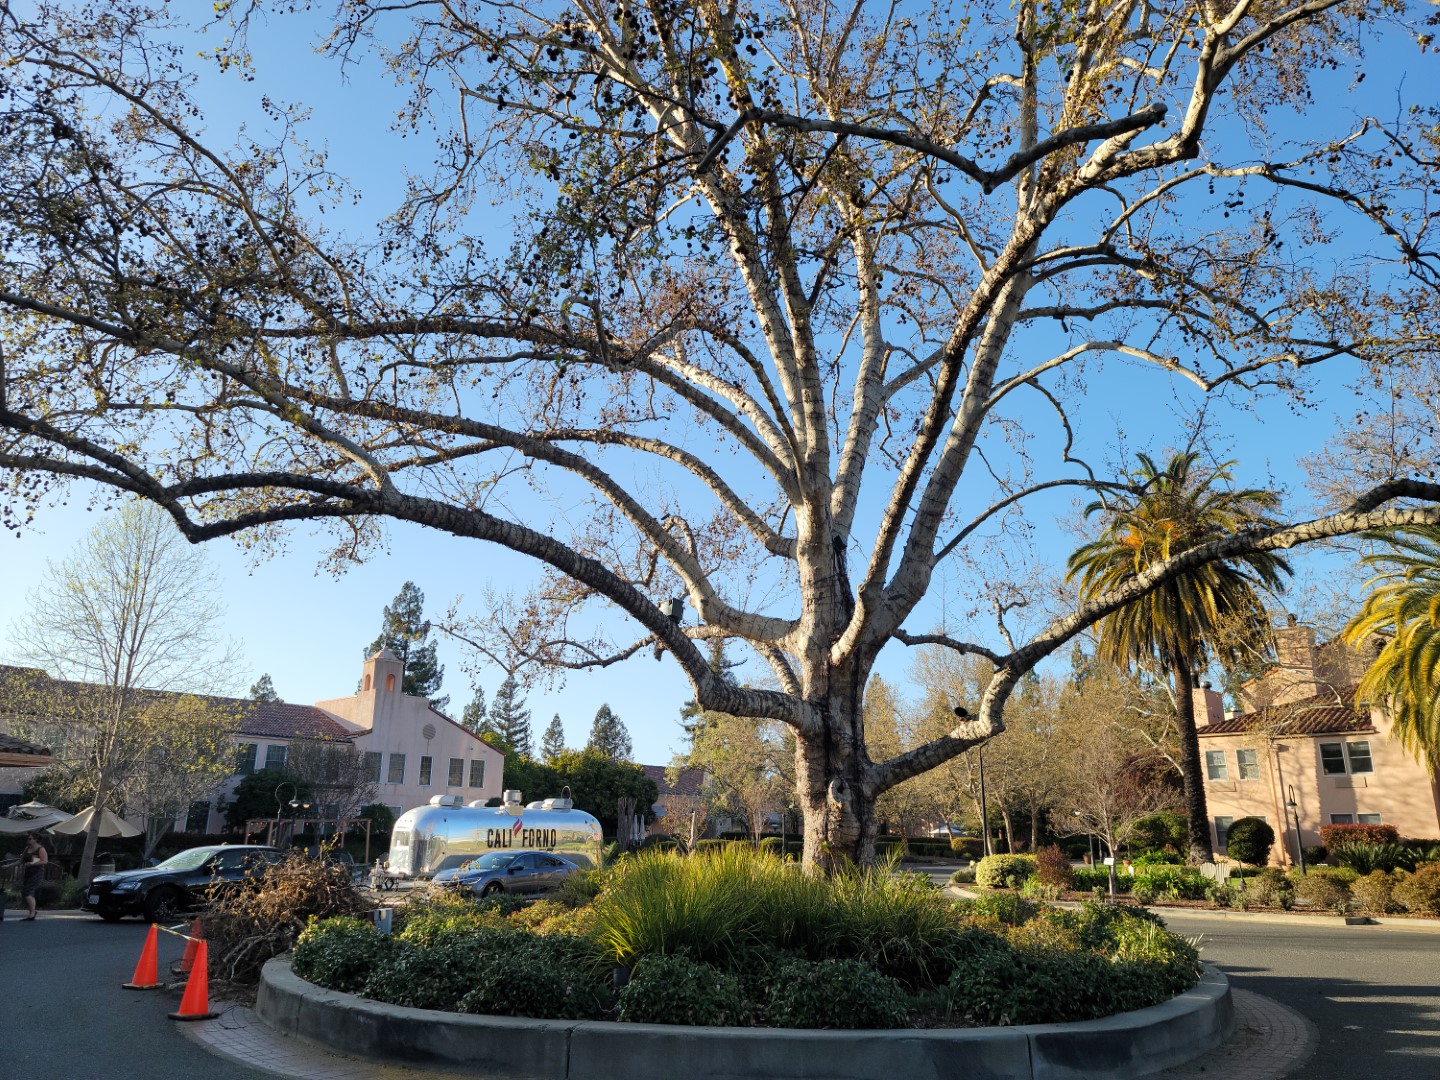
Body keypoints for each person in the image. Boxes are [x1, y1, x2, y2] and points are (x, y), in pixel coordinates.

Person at [20, 833, 48, 920]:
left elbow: (44, 861)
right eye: (28, 838)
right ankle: (32, 912)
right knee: (25, 893)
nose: (28, 840)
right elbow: (21, 861)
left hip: (37, 873)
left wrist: (32, 863)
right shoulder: (27, 848)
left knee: (28, 893)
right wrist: (8, 866)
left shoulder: (40, 849)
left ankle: (32, 914)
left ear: (36, 840)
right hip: (28, 873)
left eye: (30, 838)